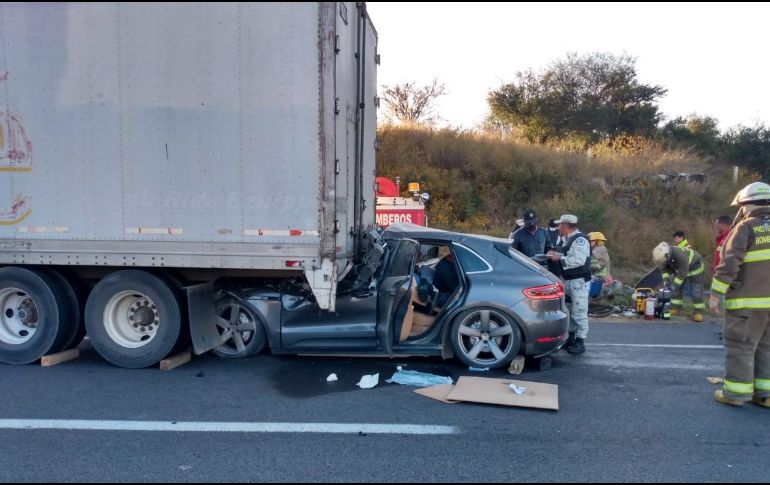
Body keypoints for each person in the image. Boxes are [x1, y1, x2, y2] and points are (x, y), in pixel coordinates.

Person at [709, 181, 770, 408]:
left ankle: (735, 394)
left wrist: (716, 294)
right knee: (766, 347)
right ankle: (764, 395)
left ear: (745, 205)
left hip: (747, 305)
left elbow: (729, 265)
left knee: (741, 347)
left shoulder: (746, 228)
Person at [547, 214, 591, 355]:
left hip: (578, 281)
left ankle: (580, 341)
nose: (558, 227)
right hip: (568, 280)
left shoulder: (580, 240)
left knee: (579, 311)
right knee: (570, 310)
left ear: (566, 225)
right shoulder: (566, 239)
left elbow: (578, 260)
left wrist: (559, 258)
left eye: (560, 225)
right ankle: (571, 339)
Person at [652, 241, 706, 322]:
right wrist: (666, 281)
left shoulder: (680, 256)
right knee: (676, 290)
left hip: (695, 268)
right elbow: (664, 269)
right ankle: (675, 308)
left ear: (668, 256)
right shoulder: (665, 256)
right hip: (681, 269)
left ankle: (699, 313)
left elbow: (682, 274)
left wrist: (673, 285)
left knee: (696, 290)